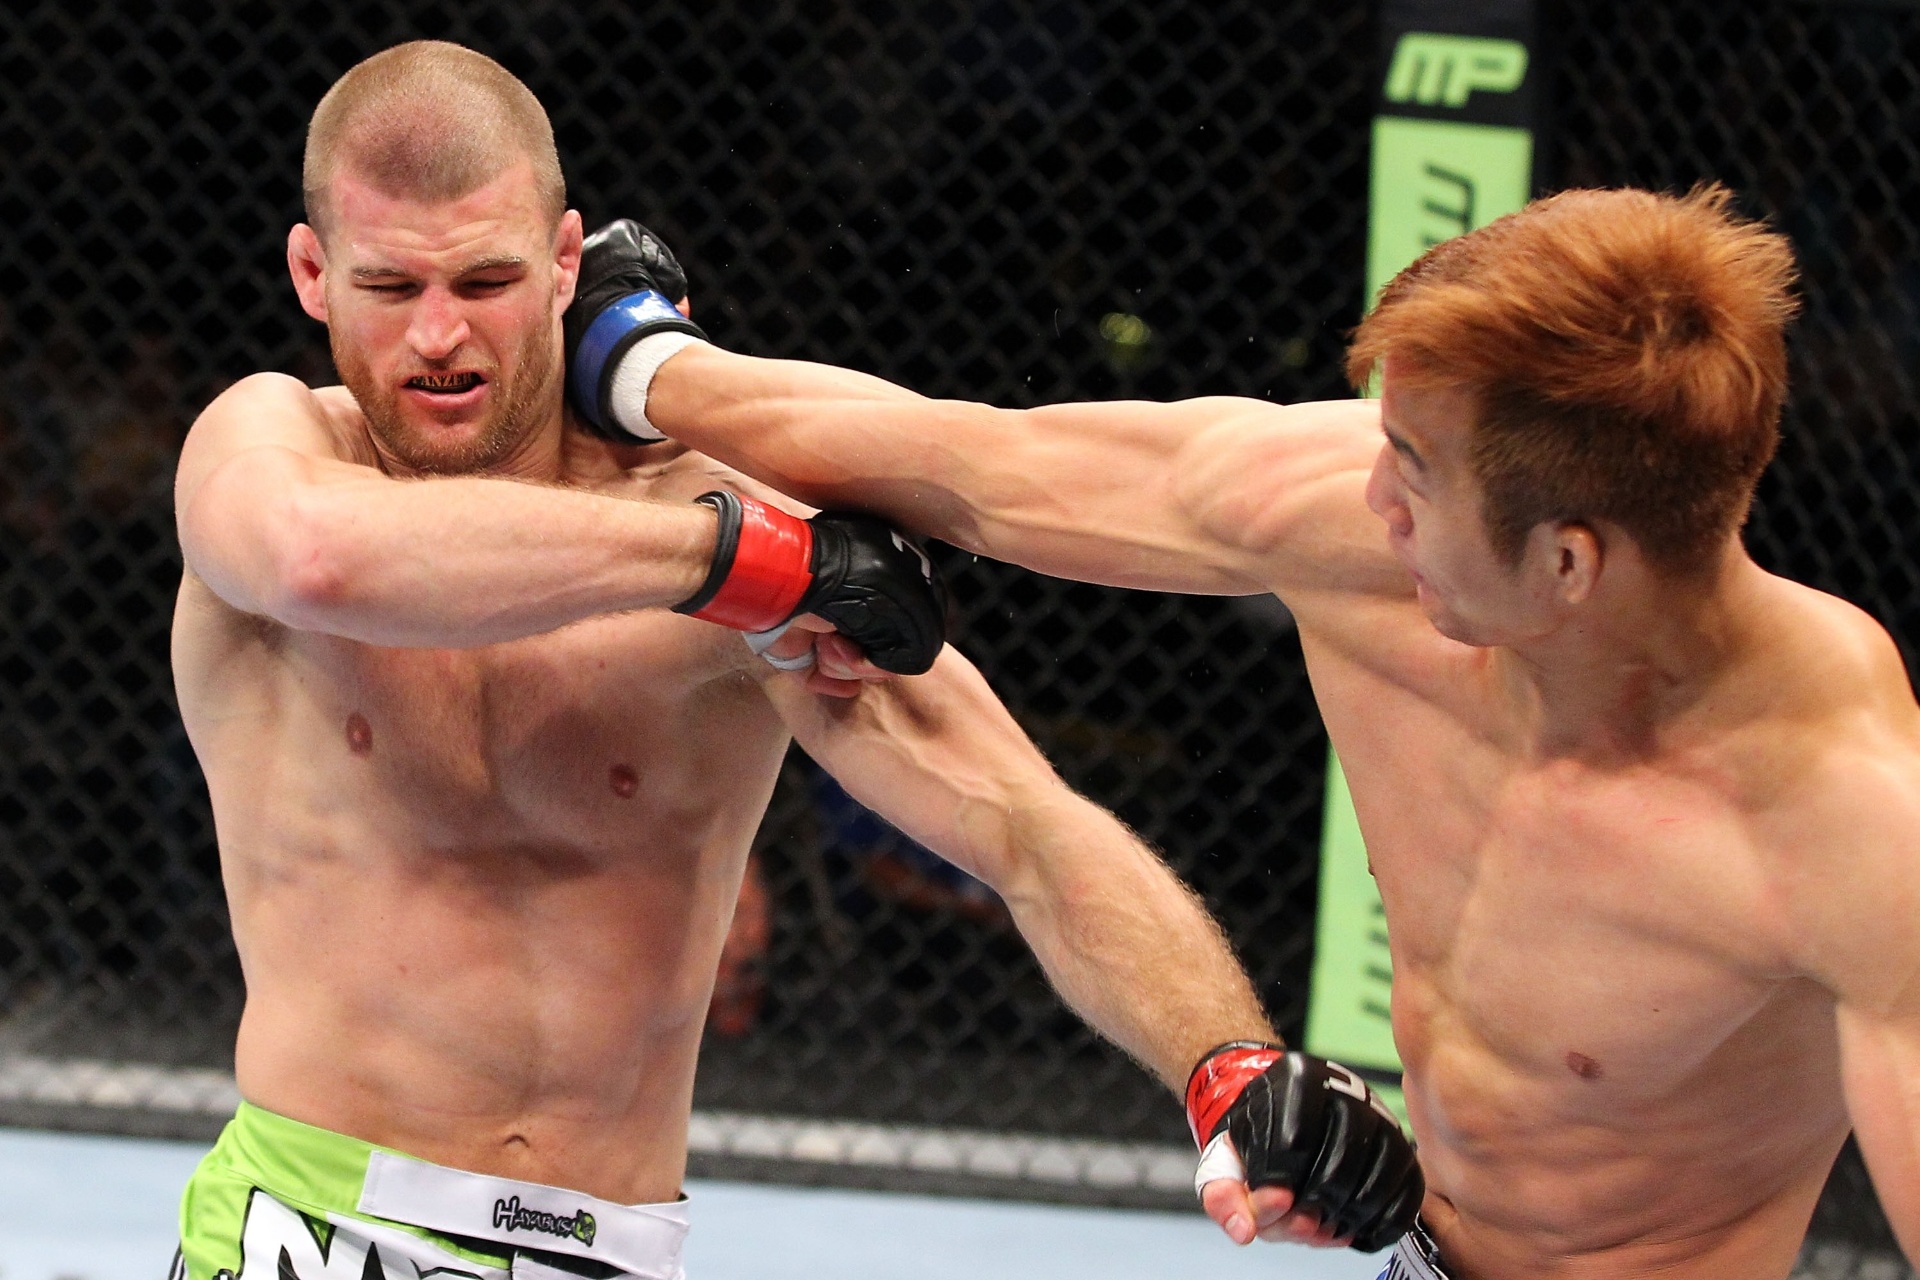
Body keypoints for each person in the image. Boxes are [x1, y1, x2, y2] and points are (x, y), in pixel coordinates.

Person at [167, 41, 1418, 1280]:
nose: (439, 334)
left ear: (565, 262)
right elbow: (318, 555)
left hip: (603, 1248)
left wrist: (1225, 1058)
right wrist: (738, 561)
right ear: (312, 272)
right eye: (390, 286)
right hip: (296, 1227)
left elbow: (1022, 822)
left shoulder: (727, 524)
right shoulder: (272, 448)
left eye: (487, 279)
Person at [590, 185, 1920, 1279]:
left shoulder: (1848, 828)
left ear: (1568, 563)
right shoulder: (1359, 527)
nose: (1371, 494)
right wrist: (633, 360)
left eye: (1414, 473)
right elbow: (972, 461)